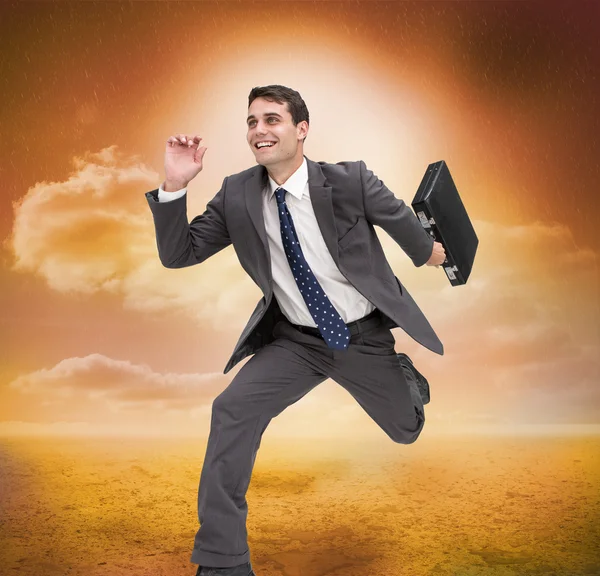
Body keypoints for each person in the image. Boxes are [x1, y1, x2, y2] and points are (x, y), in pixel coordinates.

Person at [145, 85, 446, 576]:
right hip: (297, 342)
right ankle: (223, 561)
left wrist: (432, 251)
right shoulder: (237, 194)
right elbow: (179, 254)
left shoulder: (351, 180)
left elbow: (405, 228)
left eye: (272, 119)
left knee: (406, 431)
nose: (259, 131)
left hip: (362, 338)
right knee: (231, 410)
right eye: (251, 122)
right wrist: (175, 185)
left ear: (301, 129)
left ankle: (404, 380)